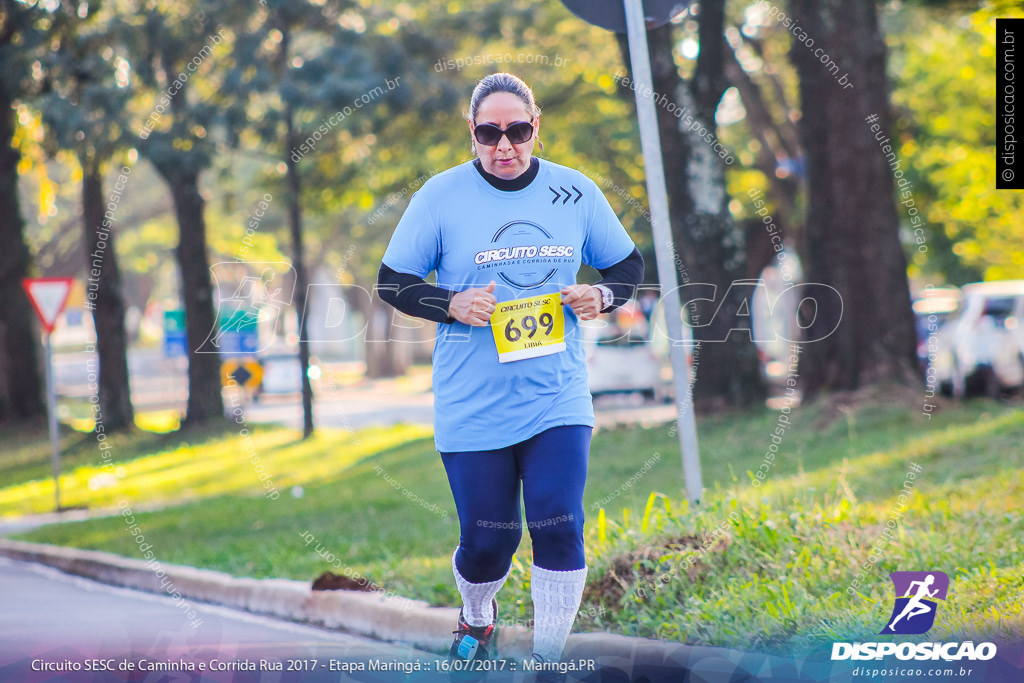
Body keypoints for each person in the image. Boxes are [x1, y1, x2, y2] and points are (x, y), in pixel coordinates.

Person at [377, 72, 644, 675]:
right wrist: (450, 303)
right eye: (490, 133)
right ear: (471, 133)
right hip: (472, 402)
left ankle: (549, 660)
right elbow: (392, 281)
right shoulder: (440, 197)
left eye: (518, 131)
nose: (505, 146)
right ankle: (477, 616)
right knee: (489, 541)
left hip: (557, 395)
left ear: (536, 128)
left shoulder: (574, 192)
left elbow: (627, 264)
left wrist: (600, 296)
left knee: (557, 519)